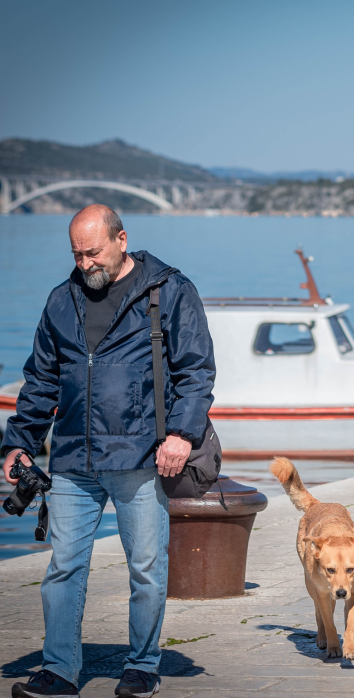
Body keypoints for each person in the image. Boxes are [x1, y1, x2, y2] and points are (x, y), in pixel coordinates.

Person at [2, 205, 216, 698]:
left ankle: (142, 665)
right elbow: (40, 382)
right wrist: (18, 443)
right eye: (76, 254)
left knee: (144, 567)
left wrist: (181, 434)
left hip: (142, 458)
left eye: (92, 252)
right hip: (74, 460)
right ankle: (59, 671)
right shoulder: (61, 300)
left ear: (122, 239)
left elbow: (196, 371)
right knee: (63, 568)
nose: (84, 264)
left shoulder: (169, 291)